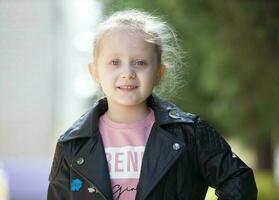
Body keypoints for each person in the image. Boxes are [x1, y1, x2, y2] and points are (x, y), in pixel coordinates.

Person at [47, 9, 258, 200]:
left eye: (140, 62)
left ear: (158, 73)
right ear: (95, 72)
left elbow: (238, 179)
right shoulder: (72, 144)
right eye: (114, 62)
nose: (127, 73)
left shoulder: (189, 134)